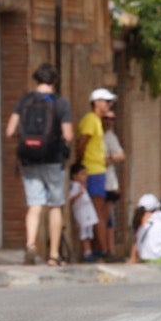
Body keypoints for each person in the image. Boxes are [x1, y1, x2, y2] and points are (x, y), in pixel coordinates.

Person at [4, 62, 75, 267]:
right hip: (53, 159)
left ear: (36, 79)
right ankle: (53, 255)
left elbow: (9, 131)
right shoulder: (61, 103)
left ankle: (30, 243)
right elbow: (68, 135)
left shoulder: (24, 100)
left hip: (29, 159)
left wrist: (28, 141)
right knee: (54, 206)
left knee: (34, 204)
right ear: (55, 81)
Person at [75, 87, 117, 258]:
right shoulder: (91, 120)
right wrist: (79, 163)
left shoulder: (97, 121)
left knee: (99, 211)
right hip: (92, 170)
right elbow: (82, 142)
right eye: (106, 102)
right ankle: (102, 248)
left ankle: (103, 248)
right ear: (96, 103)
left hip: (98, 170)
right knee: (97, 211)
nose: (109, 105)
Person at [102, 107, 126, 258]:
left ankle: (110, 249)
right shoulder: (96, 133)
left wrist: (107, 160)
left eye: (112, 119)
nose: (110, 122)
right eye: (107, 118)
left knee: (107, 216)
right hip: (98, 180)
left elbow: (121, 156)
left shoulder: (110, 136)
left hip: (109, 183)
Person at [68, 164, 100, 262]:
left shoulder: (81, 185)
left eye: (86, 174)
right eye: (82, 174)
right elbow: (70, 199)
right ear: (74, 176)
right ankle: (87, 254)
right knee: (85, 234)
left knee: (89, 233)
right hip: (82, 213)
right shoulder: (74, 186)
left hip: (87, 212)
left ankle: (90, 251)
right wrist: (79, 194)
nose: (85, 176)